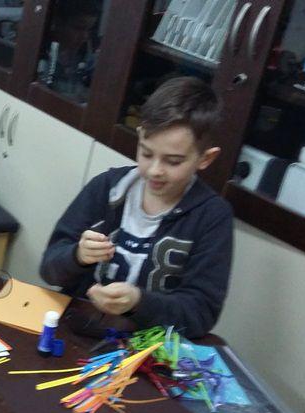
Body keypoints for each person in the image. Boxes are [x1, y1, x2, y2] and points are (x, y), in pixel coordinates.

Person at [40, 76, 233, 338]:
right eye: (146, 153)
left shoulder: (212, 217)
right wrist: (77, 256)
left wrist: (139, 302)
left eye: (173, 161)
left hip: (146, 347)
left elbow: (201, 313)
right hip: (76, 329)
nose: (154, 170)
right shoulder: (107, 188)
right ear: (140, 135)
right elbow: (49, 268)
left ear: (205, 158)